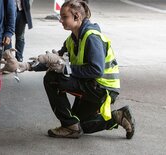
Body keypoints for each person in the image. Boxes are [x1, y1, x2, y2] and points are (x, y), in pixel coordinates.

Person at [17, 0, 135, 139]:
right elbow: (55, 60)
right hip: (91, 84)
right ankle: (117, 117)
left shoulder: (91, 38)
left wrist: (66, 69)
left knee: (52, 79)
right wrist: (27, 66)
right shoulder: (72, 38)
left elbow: (96, 70)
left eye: (64, 16)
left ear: (77, 16)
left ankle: (69, 127)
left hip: (102, 88)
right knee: (81, 125)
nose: (61, 20)